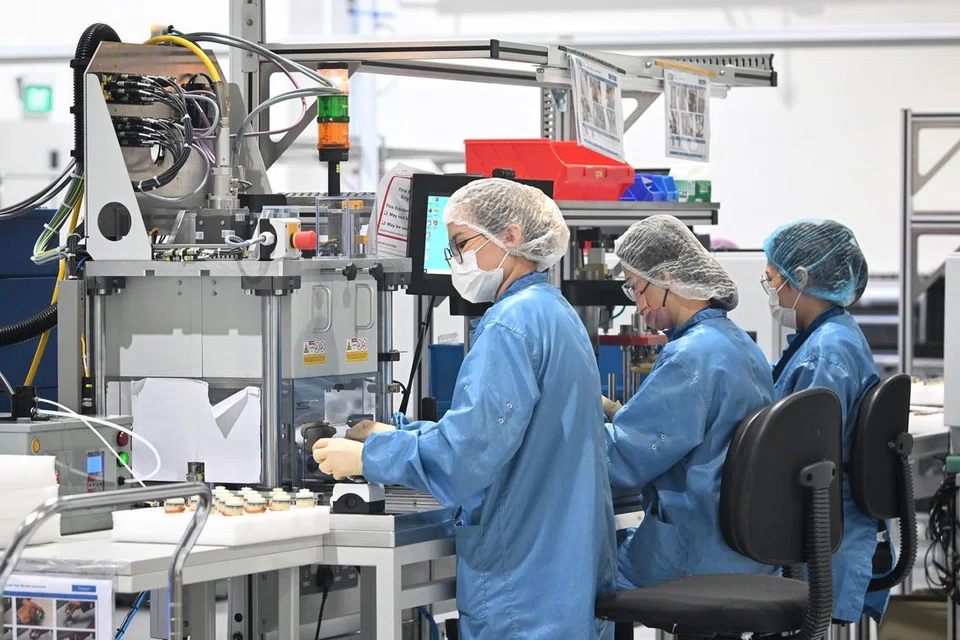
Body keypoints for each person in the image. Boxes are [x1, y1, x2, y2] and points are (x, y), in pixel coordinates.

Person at [314, 178, 617, 639]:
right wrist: (400, 434)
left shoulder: (510, 325)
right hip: (561, 569)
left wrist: (368, 457)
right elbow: (512, 431)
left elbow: (467, 454)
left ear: (511, 236)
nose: (455, 260)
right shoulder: (554, 312)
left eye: (460, 244)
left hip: (524, 582)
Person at [603, 215, 775, 589]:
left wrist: (565, 426)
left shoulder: (689, 356)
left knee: (589, 573)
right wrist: (620, 414)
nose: (638, 303)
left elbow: (624, 459)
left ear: (665, 277)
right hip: (742, 552)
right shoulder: (740, 344)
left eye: (637, 288)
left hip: (692, 555)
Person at [763, 219, 887, 623]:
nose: (770, 291)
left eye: (771, 279)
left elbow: (798, 457)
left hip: (823, 541)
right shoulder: (833, 336)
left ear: (799, 278)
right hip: (833, 532)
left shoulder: (825, 355)